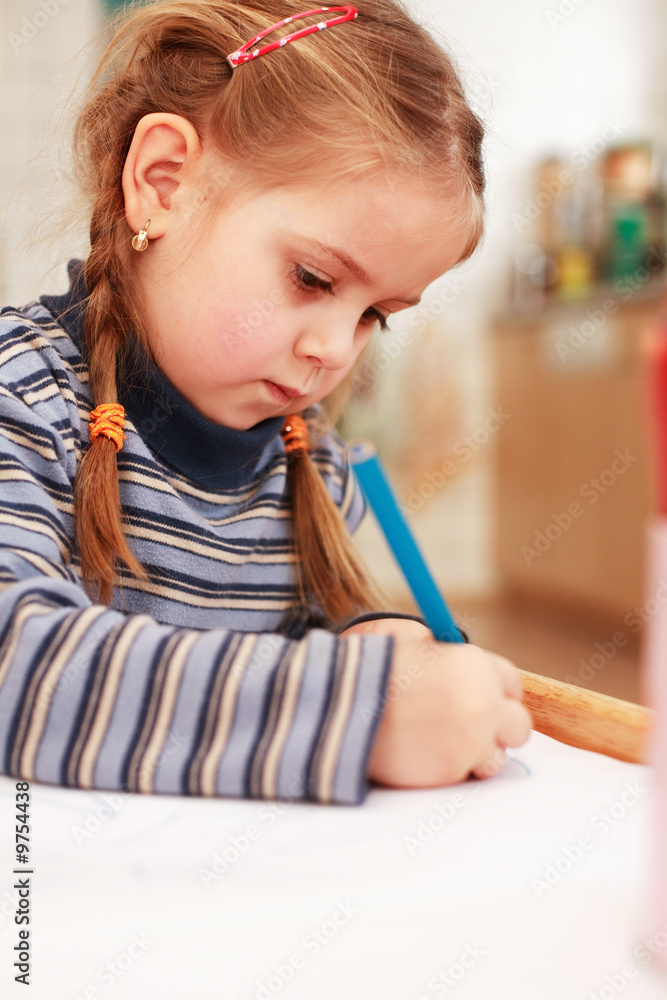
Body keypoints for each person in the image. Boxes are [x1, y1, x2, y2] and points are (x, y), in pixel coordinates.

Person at [0, 0, 530, 806]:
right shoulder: (24, 399)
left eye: (372, 315)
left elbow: (287, 647)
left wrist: (372, 641)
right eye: (312, 279)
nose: (335, 350)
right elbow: (17, 668)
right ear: (162, 183)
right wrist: (351, 713)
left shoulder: (308, 462)